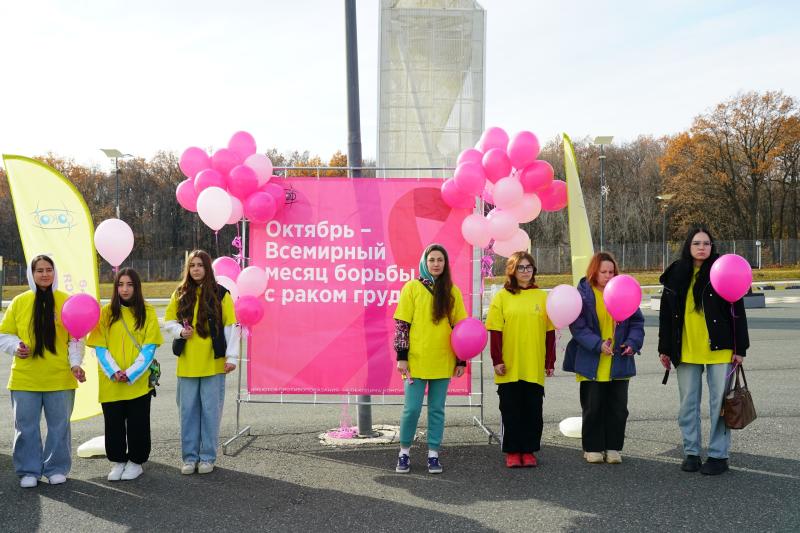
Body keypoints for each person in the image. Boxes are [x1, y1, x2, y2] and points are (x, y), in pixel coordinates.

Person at [658, 226, 749, 475]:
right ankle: (691, 452)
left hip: (721, 350)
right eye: (697, 243)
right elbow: (666, 315)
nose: (702, 247)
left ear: (712, 247)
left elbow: (738, 312)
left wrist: (740, 348)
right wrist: (665, 348)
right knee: (688, 404)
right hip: (686, 350)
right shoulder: (677, 272)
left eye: (706, 243)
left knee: (720, 404)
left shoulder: (723, 270)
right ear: (689, 245)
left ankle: (719, 456)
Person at [0, 255, 85, 488]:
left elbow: (75, 339)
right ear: (32, 274)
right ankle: (28, 470)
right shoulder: (19, 302)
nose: (45, 274)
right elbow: (4, 334)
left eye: (49, 270)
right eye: (40, 270)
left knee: (59, 427)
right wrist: (16, 347)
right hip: (25, 378)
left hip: (59, 377)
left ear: (54, 273)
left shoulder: (66, 301)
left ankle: (56, 468)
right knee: (25, 426)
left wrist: (75, 364)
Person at [393, 243, 467, 474]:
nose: (436, 264)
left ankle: (433, 455)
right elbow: (402, 325)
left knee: (437, 409)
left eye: (440, 260)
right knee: (411, 409)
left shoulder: (452, 291)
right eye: (432, 260)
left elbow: (460, 328)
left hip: (443, 361)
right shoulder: (412, 288)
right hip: (415, 361)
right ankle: (404, 453)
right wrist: (402, 357)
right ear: (425, 262)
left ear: (445, 264)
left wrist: (461, 360)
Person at [564, 252, 645, 464]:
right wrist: (597, 344)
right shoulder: (583, 295)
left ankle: (613, 447)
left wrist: (632, 343)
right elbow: (578, 327)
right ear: (594, 272)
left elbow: (636, 323)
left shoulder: (624, 291)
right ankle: (592, 447)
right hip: (592, 362)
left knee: (618, 408)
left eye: (611, 272)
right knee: (593, 407)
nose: (608, 276)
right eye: (604, 272)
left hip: (619, 362)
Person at [164, 250, 240, 475]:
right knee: (187, 412)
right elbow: (169, 320)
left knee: (210, 412)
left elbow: (231, 326)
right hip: (187, 365)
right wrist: (179, 332)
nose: (196, 269)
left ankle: (207, 457)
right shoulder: (179, 293)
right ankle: (189, 458)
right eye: (192, 265)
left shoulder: (221, 293)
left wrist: (232, 357)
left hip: (213, 364)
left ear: (208, 268)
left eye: (200, 265)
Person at [87, 268, 163, 481]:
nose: (125, 289)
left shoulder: (147, 312)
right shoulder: (105, 313)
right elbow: (99, 347)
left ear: (136, 287)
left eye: (129, 284)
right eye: (120, 284)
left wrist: (130, 374)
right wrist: (114, 372)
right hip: (111, 382)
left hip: (137, 383)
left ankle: (136, 461)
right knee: (113, 424)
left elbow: (149, 348)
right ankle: (118, 460)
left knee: (139, 424)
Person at [485, 251, 556, 468]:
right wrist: (497, 360)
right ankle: (513, 451)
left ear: (534, 270)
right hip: (509, 365)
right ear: (512, 271)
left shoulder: (543, 297)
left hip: (533, 365)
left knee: (533, 411)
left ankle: (529, 450)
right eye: (520, 267)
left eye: (529, 267)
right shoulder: (502, 297)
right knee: (511, 410)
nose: (525, 271)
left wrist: (549, 361)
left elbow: (549, 333)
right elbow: (495, 332)